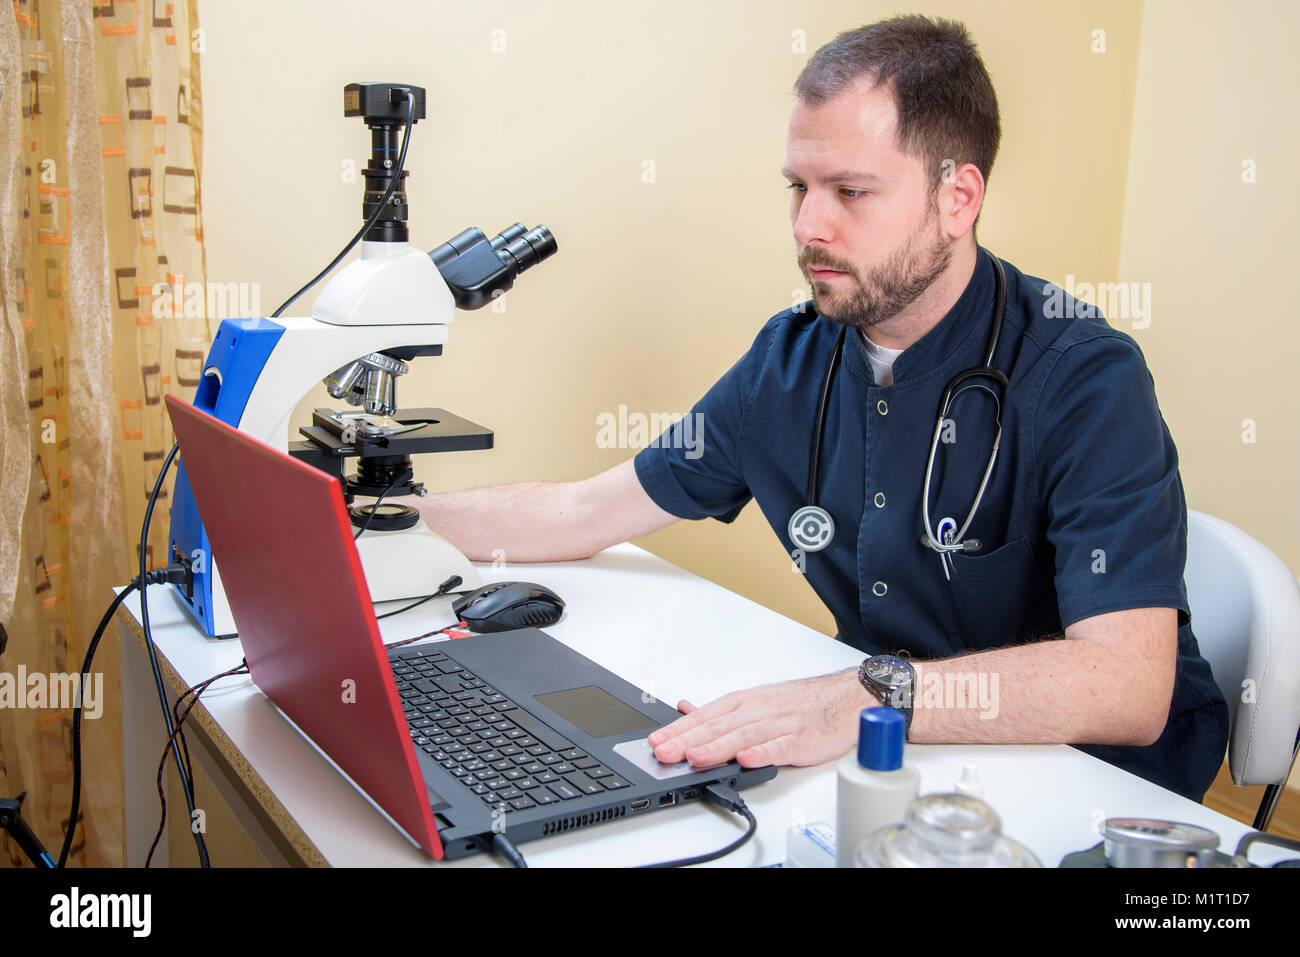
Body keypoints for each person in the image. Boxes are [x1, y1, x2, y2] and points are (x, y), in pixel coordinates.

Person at [417, 15, 1228, 803]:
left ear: (958, 197)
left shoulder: (1085, 375)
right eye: (798, 188)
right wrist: (384, 522)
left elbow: (1128, 683)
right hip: (891, 750)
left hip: (1086, 784)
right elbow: (584, 509)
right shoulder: (792, 360)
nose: (808, 226)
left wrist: (862, 693)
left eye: (850, 190)